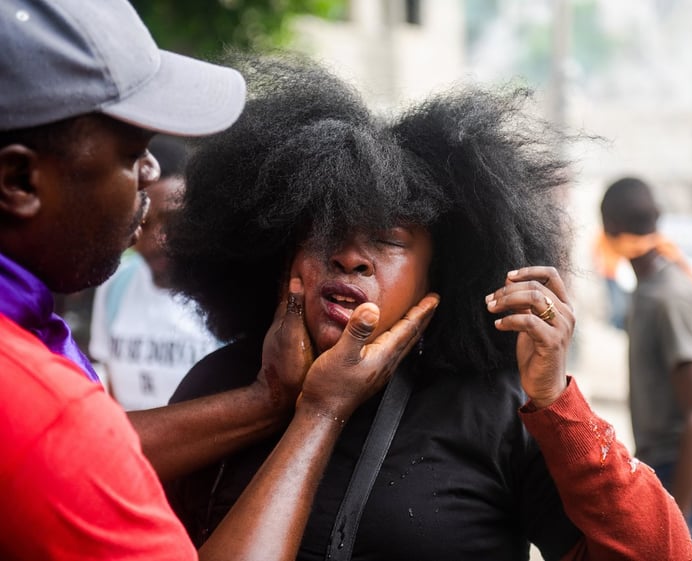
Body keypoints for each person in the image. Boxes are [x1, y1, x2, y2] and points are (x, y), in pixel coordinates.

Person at [164, 54, 692, 561]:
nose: (350, 257)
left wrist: (559, 406)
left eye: (387, 240)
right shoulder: (222, 385)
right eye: (325, 231)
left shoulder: (498, 412)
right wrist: (275, 401)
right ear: (280, 249)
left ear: (438, 274)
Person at [0, 1, 437, 559]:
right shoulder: (38, 405)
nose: (153, 170)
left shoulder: (497, 410)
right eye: (132, 153)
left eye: (387, 239)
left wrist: (269, 399)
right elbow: (66, 445)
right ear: (18, 180)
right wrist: (320, 412)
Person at [599, 177, 692, 560]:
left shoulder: (669, 298)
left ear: (611, 229)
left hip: (684, 460)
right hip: (666, 458)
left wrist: (678, 515)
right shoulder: (648, 291)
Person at [89, 135, 222, 410]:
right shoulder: (115, 284)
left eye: (173, 221)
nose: (158, 240)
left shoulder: (225, 293)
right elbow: (110, 381)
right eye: (142, 221)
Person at [592, 228, 630, 330]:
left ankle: (617, 321)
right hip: (610, 272)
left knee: (616, 298)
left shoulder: (613, 236)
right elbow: (596, 252)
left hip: (617, 272)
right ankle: (617, 323)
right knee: (616, 299)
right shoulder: (603, 236)